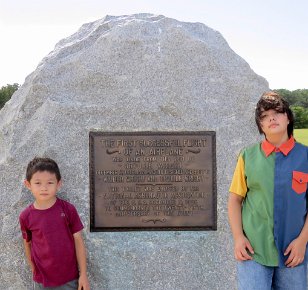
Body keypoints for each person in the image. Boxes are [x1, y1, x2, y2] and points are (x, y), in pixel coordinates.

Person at [228, 91, 308, 290]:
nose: (271, 117)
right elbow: (235, 200)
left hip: (294, 253)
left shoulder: (305, 156)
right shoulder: (247, 156)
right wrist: (238, 238)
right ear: (261, 126)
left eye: (277, 112)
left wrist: (302, 242)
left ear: (288, 117)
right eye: (264, 116)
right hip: (254, 252)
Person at [19, 157, 90, 290]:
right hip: (42, 280)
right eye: (38, 183)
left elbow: (78, 241)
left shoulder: (68, 210)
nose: (44, 188)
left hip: (69, 278)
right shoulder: (26, 216)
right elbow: (27, 243)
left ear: (58, 184)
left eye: (50, 183)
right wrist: (33, 268)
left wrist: (83, 274)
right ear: (28, 184)